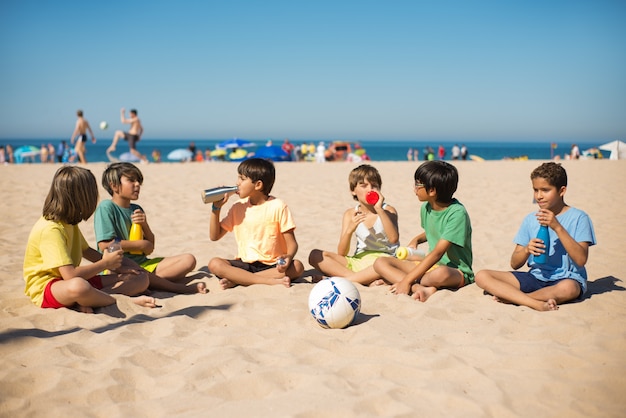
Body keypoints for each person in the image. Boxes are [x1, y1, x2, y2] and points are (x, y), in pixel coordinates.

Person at [23, 166, 158, 313]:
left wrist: (119, 268)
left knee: (141, 278)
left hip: (76, 281)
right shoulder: (51, 229)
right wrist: (105, 263)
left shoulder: (69, 223)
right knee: (79, 287)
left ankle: (92, 300)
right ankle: (117, 299)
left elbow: (87, 251)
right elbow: (70, 275)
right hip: (48, 287)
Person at [475, 163, 596, 311]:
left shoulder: (579, 218)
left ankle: (517, 298)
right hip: (535, 277)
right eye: (535, 190)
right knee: (482, 275)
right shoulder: (530, 219)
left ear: (562, 190)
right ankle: (534, 302)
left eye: (545, 190)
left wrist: (557, 227)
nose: (539, 196)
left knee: (569, 289)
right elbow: (514, 263)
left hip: (566, 278)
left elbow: (581, 259)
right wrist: (526, 250)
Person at [94, 162, 206, 294]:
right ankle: (176, 287)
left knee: (189, 260)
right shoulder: (106, 207)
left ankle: (151, 282)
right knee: (132, 268)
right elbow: (105, 246)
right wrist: (139, 244)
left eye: (138, 181)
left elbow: (149, 248)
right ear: (114, 186)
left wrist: (145, 225)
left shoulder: (136, 209)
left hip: (143, 264)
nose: (137, 185)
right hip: (118, 266)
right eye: (131, 180)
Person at [373, 161, 473, 302]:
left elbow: (438, 253)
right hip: (429, 267)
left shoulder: (457, 213)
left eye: (417, 184)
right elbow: (434, 231)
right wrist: (417, 240)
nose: (414, 189)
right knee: (380, 263)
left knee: (441, 274)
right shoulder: (426, 207)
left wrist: (406, 280)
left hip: (455, 271)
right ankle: (419, 287)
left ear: (432, 191)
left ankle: (406, 281)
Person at [208, 158, 305, 289]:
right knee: (214, 263)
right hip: (244, 264)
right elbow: (215, 236)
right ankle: (264, 280)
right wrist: (216, 208)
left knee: (297, 266)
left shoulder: (278, 206)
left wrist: (288, 257)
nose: (237, 183)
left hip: (272, 265)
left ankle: (239, 280)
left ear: (258, 185)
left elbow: (292, 243)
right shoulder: (237, 207)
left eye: (242, 179)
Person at [308, 164, 399, 286]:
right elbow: (342, 253)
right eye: (364, 186)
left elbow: (394, 239)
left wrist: (379, 210)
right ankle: (363, 279)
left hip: (384, 261)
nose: (370, 190)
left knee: (381, 266)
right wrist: (350, 230)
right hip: (359, 261)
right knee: (315, 255)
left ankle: (344, 280)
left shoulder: (388, 210)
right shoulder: (350, 213)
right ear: (353, 190)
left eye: (374, 186)